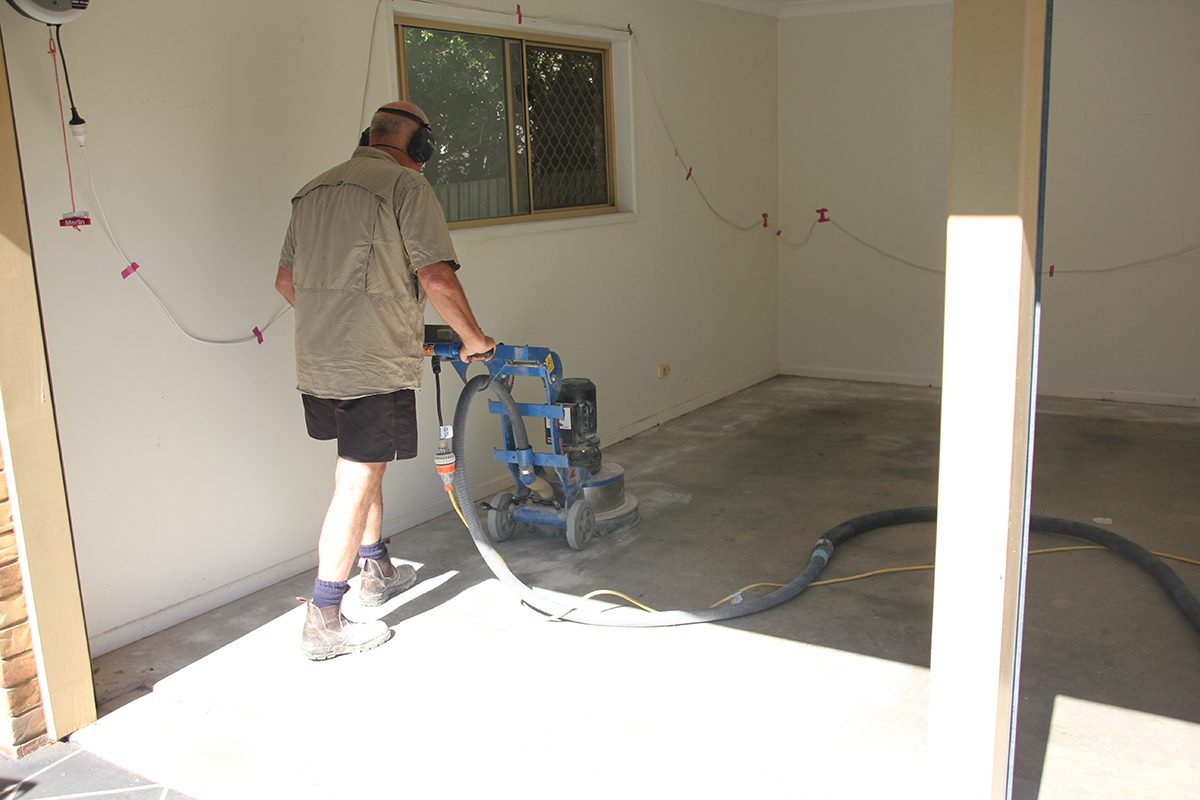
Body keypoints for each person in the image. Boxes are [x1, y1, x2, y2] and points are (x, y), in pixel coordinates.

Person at [274, 101, 495, 660]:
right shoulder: (405, 186)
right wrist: (472, 338)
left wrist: (339, 319)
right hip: (372, 362)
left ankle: (376, 568)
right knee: (356, 476)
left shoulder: (312, 190)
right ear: (419, 146)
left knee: (358, 461)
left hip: (318, 359)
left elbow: (284, 281)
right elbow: (434, 274)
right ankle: (325, 616)